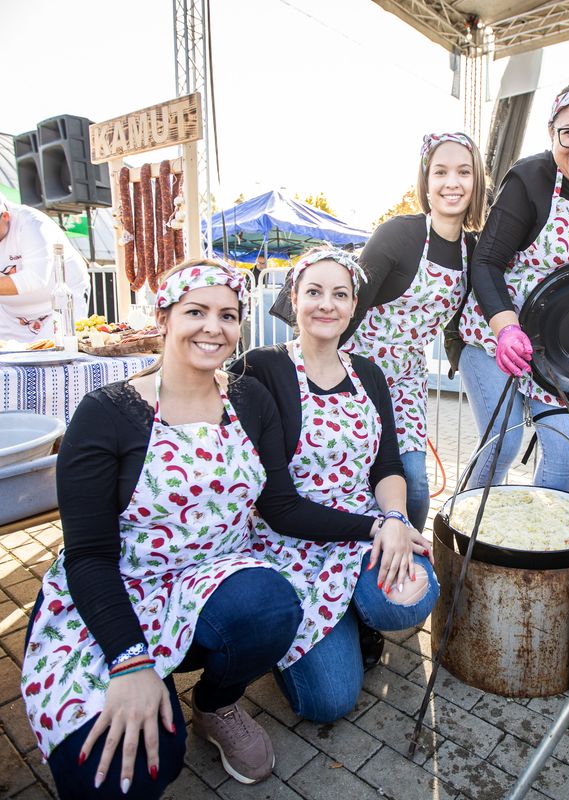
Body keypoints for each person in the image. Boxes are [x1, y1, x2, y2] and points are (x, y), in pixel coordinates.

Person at [21, 260, 392, 798]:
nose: (212, 327)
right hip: (117, 595)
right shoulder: (107, 412)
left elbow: (282, 508)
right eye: (195, 311)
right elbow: (88, 556)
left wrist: (379, 524)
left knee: (272, 603)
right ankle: (150, 676)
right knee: (126, 772)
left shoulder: (247, 399)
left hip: (213, 581)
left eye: (228, 315)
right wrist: (128, 662)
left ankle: (216, 702)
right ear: (164, 317)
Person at [237, 247, 439, 722]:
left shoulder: (368, 373)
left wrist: (393, 517)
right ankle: (315, 629)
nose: (326, 304)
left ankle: (355, 610)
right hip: (291, 540)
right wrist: (375, 529)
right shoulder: (261, 369)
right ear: (294, 297)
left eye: (339, 294)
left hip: (365, 526)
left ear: (353, 307)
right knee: (329, 703)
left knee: (407, 603)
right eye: (314, 292)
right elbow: (277, 506)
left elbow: (386, 465)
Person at [457, 75, 569, 491]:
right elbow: (486, 262)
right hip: (495, 338)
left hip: (565, 349)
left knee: (567, 451)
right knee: (502, 442)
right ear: (552, 132)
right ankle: (462, 538)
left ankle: (540, 549)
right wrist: (506, 328)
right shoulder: (529, 178)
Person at [338, 132, 484, 530]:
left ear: (477, 181)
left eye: (463, 172)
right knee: (353, 480)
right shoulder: (399, 235)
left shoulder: (474, 252)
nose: (452, 182)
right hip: (352, 370)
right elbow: (348, 306)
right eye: (440, 172)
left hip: (405, 377)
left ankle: (411, 562)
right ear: (426, 180)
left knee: (416, 486)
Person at [0, 185, 91, 343]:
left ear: (5, 216)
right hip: (10, 315)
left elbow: (34, 279)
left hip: (60, 307)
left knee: (57, 357)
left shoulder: (32, 223)